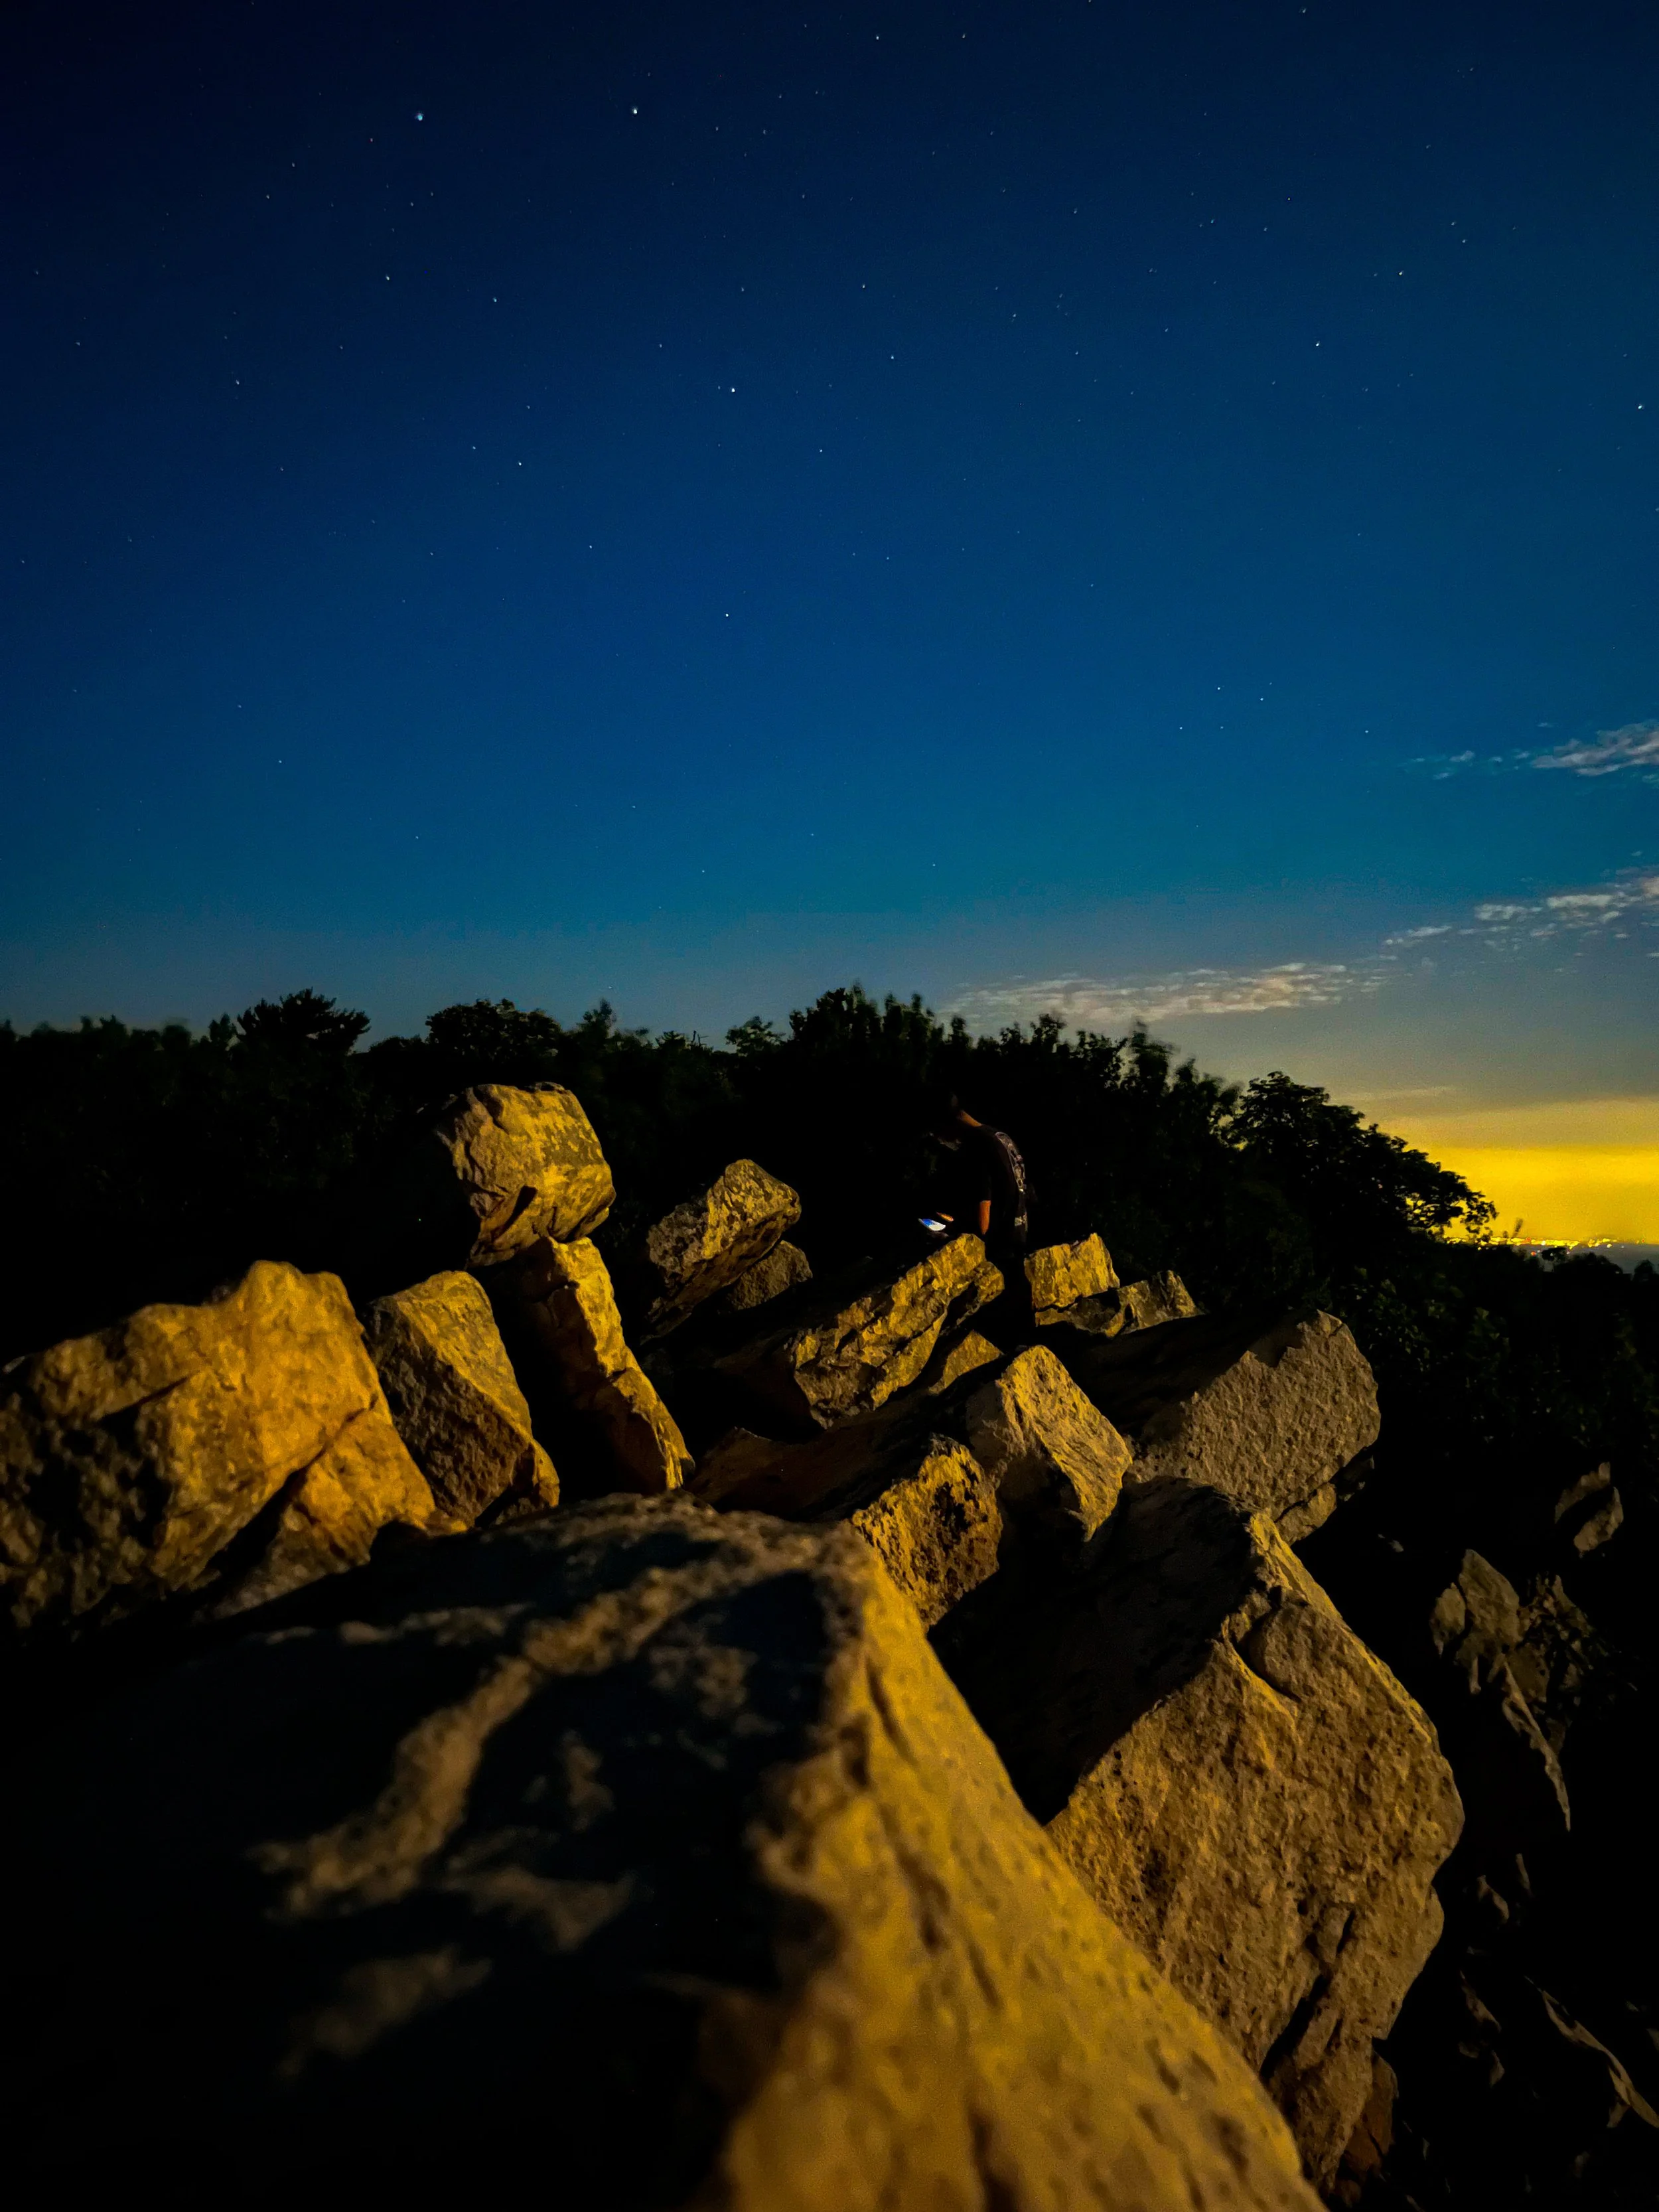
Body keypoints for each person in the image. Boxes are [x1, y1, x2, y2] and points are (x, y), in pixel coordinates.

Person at [930, 1096, 1029, 1264]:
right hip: (1019, 1236)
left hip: (999, 1250)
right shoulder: (1000, 1137)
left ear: (950, 1124)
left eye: (939, 1134)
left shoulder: (977, 1147)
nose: (941, 1141)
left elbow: (983, 1220)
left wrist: (950, 1239)